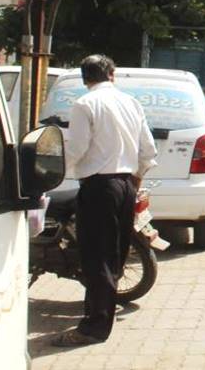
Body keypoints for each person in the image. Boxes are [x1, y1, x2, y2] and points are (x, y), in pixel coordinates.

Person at [53, 55, 157, 347]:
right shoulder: (130, 103)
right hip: (125, 185)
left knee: (97, 258)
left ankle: (94, 328)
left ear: (86, 79)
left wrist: (53, 174)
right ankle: (99, 319)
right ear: (112, 74)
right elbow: (147, 150)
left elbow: (76, 148)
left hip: (99, 187)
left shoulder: (85, 104)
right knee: (114, 257)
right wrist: (135, 180)